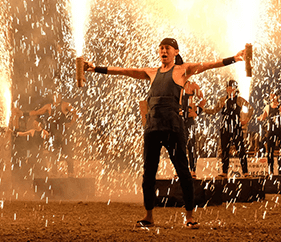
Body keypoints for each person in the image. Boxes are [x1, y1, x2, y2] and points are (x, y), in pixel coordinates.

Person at [84, 39, 246, 229]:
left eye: (167, 48)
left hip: (173, 128)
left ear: (175, 52)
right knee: (148, 174)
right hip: (152, 128)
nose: (163, 51)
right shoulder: (151, 72)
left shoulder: (182, 70)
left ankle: (189, 217)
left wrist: (234, 58)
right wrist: (95, 68)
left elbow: (209, 64)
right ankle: (148, 216)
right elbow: (125, 71)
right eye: (161, 48)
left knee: (183, 172)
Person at [203, 80, 252, 177]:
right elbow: (214, 110)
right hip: (225, 126)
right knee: (225, 149)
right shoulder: (222, 100)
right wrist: (203, 109)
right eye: (228, 88)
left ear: (235, 89)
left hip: (236, 126)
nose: (230, 89)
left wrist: (246, 119)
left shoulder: (239, 100)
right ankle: (224, 172)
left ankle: (246, 172)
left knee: (240, 149)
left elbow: (250, 108)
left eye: (232, 88)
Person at [258, 93, 281, 175]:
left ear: (277, 97)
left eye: (274, 96)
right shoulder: (267, 107)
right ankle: (271, 171)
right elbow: (263, 117)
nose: (272, 97)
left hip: (280, 130)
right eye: (271, 96)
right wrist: (256, 117)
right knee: (270, 151)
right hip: (271, 131)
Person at [180, 80, 204, 178]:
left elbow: (203, 100)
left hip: (189, 119)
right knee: (178, 145)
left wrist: (196, 112)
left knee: (191, 144)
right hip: (178, 117)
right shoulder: (174, 83)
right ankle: (179, 169)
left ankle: (193, 170)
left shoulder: (192, 85)